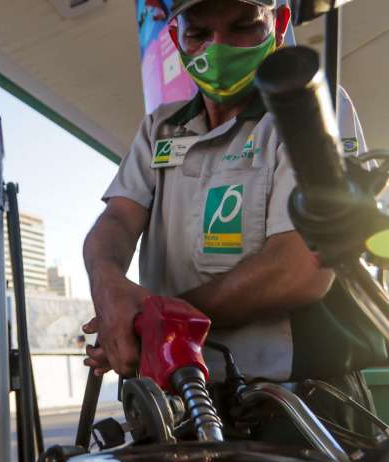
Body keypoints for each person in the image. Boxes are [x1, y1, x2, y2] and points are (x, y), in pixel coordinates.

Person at [82, 0, 376, 436]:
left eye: (242, 26)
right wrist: (108, 289)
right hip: (177, 403)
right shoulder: (160, 129)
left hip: (298, 408)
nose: (218, 48)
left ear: (279, 24)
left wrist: (154, 323)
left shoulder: (311, 110)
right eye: (199, 34)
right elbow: (116, 222)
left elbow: (298, 270)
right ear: (177, 38)